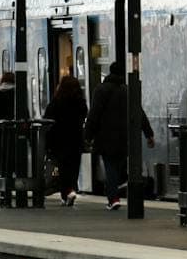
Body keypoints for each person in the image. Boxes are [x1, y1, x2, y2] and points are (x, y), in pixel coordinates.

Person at [83, 62, 154, 210]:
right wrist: (149, 134)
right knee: (117, 166)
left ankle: (113, 198)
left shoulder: (100, 90)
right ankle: (116, 192)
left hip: (105, 137)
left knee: (110, 168)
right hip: (123, 137)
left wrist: (87, 135)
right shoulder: (128, 91)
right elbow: (139, 113)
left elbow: (94, 115)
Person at [44, 68, 87, 207]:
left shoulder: (56, 102)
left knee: (62, 168)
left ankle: (66, 193)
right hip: (76, 139)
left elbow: (47, 119)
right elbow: (85, 115)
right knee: (74, 167)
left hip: (59, 140)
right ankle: (71, 189)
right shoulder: (80, 102)